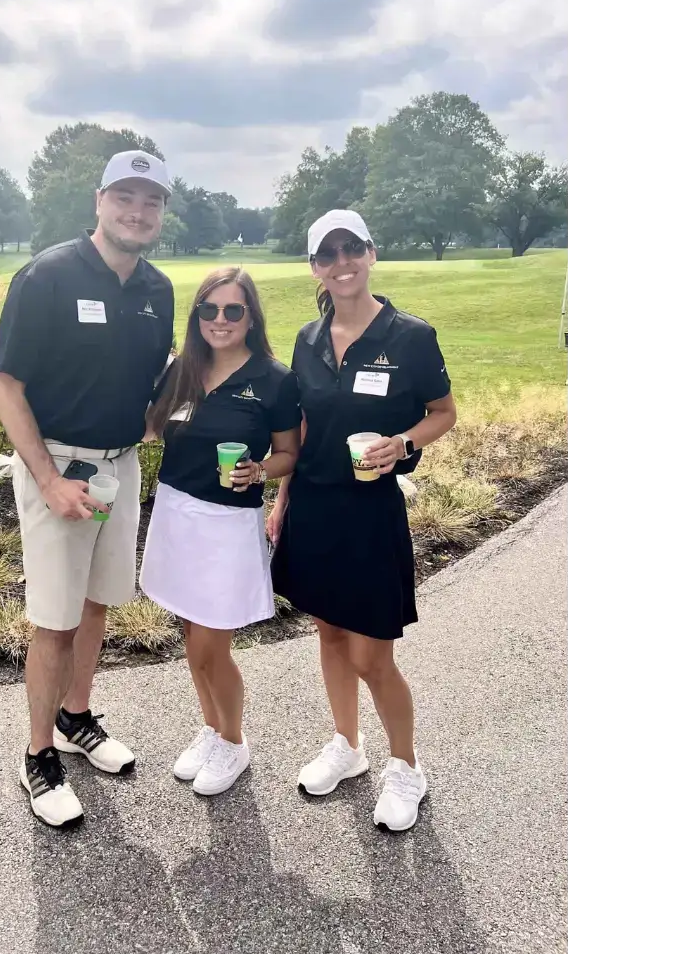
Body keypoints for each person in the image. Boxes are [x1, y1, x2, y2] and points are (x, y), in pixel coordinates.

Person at [0, 150, 177, 829]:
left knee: (97, 605)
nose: (137, 210)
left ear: (162, 212)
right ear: (98, 201)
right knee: (55, 620)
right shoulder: (48, 275)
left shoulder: (157, 289)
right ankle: (38, 755)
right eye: (125, 196)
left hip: (121, 466)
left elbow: (157, 384)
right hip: (58, 468)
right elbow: (4, 385)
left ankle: (75, 718)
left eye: (151, 200)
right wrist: (46, 481)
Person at [267, 209, 457, 833]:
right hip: (315, 506)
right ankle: (347, 747)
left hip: (370, 511)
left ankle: (406, 767)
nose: (342, 263)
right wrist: (281, 499)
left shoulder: (409, 335)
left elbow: (442, 412)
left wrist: (402, 442)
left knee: (373, 656)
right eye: (328, 254)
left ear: (371, 253)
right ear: (314, 267)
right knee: (327, 633)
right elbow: (302, 428)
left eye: (353, 249)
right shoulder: (307, 338)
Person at [139, 267, 301, 797]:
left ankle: (235, 741)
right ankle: (211, 728)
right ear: (197, 317)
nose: (220, 320)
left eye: (233, 310)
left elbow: (288, 453)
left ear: (251, 315)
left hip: (227, 527)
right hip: (175, 514)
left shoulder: (274, 379)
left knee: (213, 645)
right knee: (190, 633)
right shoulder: (181, 371)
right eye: (209, 310)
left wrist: (260, 471)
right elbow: (148, 429)